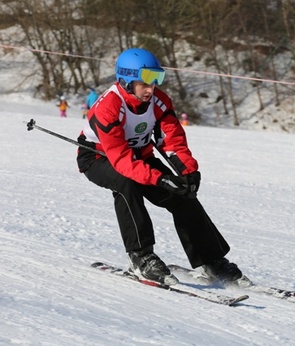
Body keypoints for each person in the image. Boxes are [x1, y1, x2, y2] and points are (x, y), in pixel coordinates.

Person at [76, 48, 242, 286]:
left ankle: (211, 260)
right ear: (125, 80)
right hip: (99, 158)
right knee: (126, 184)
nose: (151, 88)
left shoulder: (159, 102)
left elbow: (172, 139)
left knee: (183, 194)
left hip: (139, 157)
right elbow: (121, 160)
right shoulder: (108, 107)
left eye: (156, 79)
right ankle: (140, 257)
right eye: (145, 82)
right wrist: (158, 178)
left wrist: (188, 172)